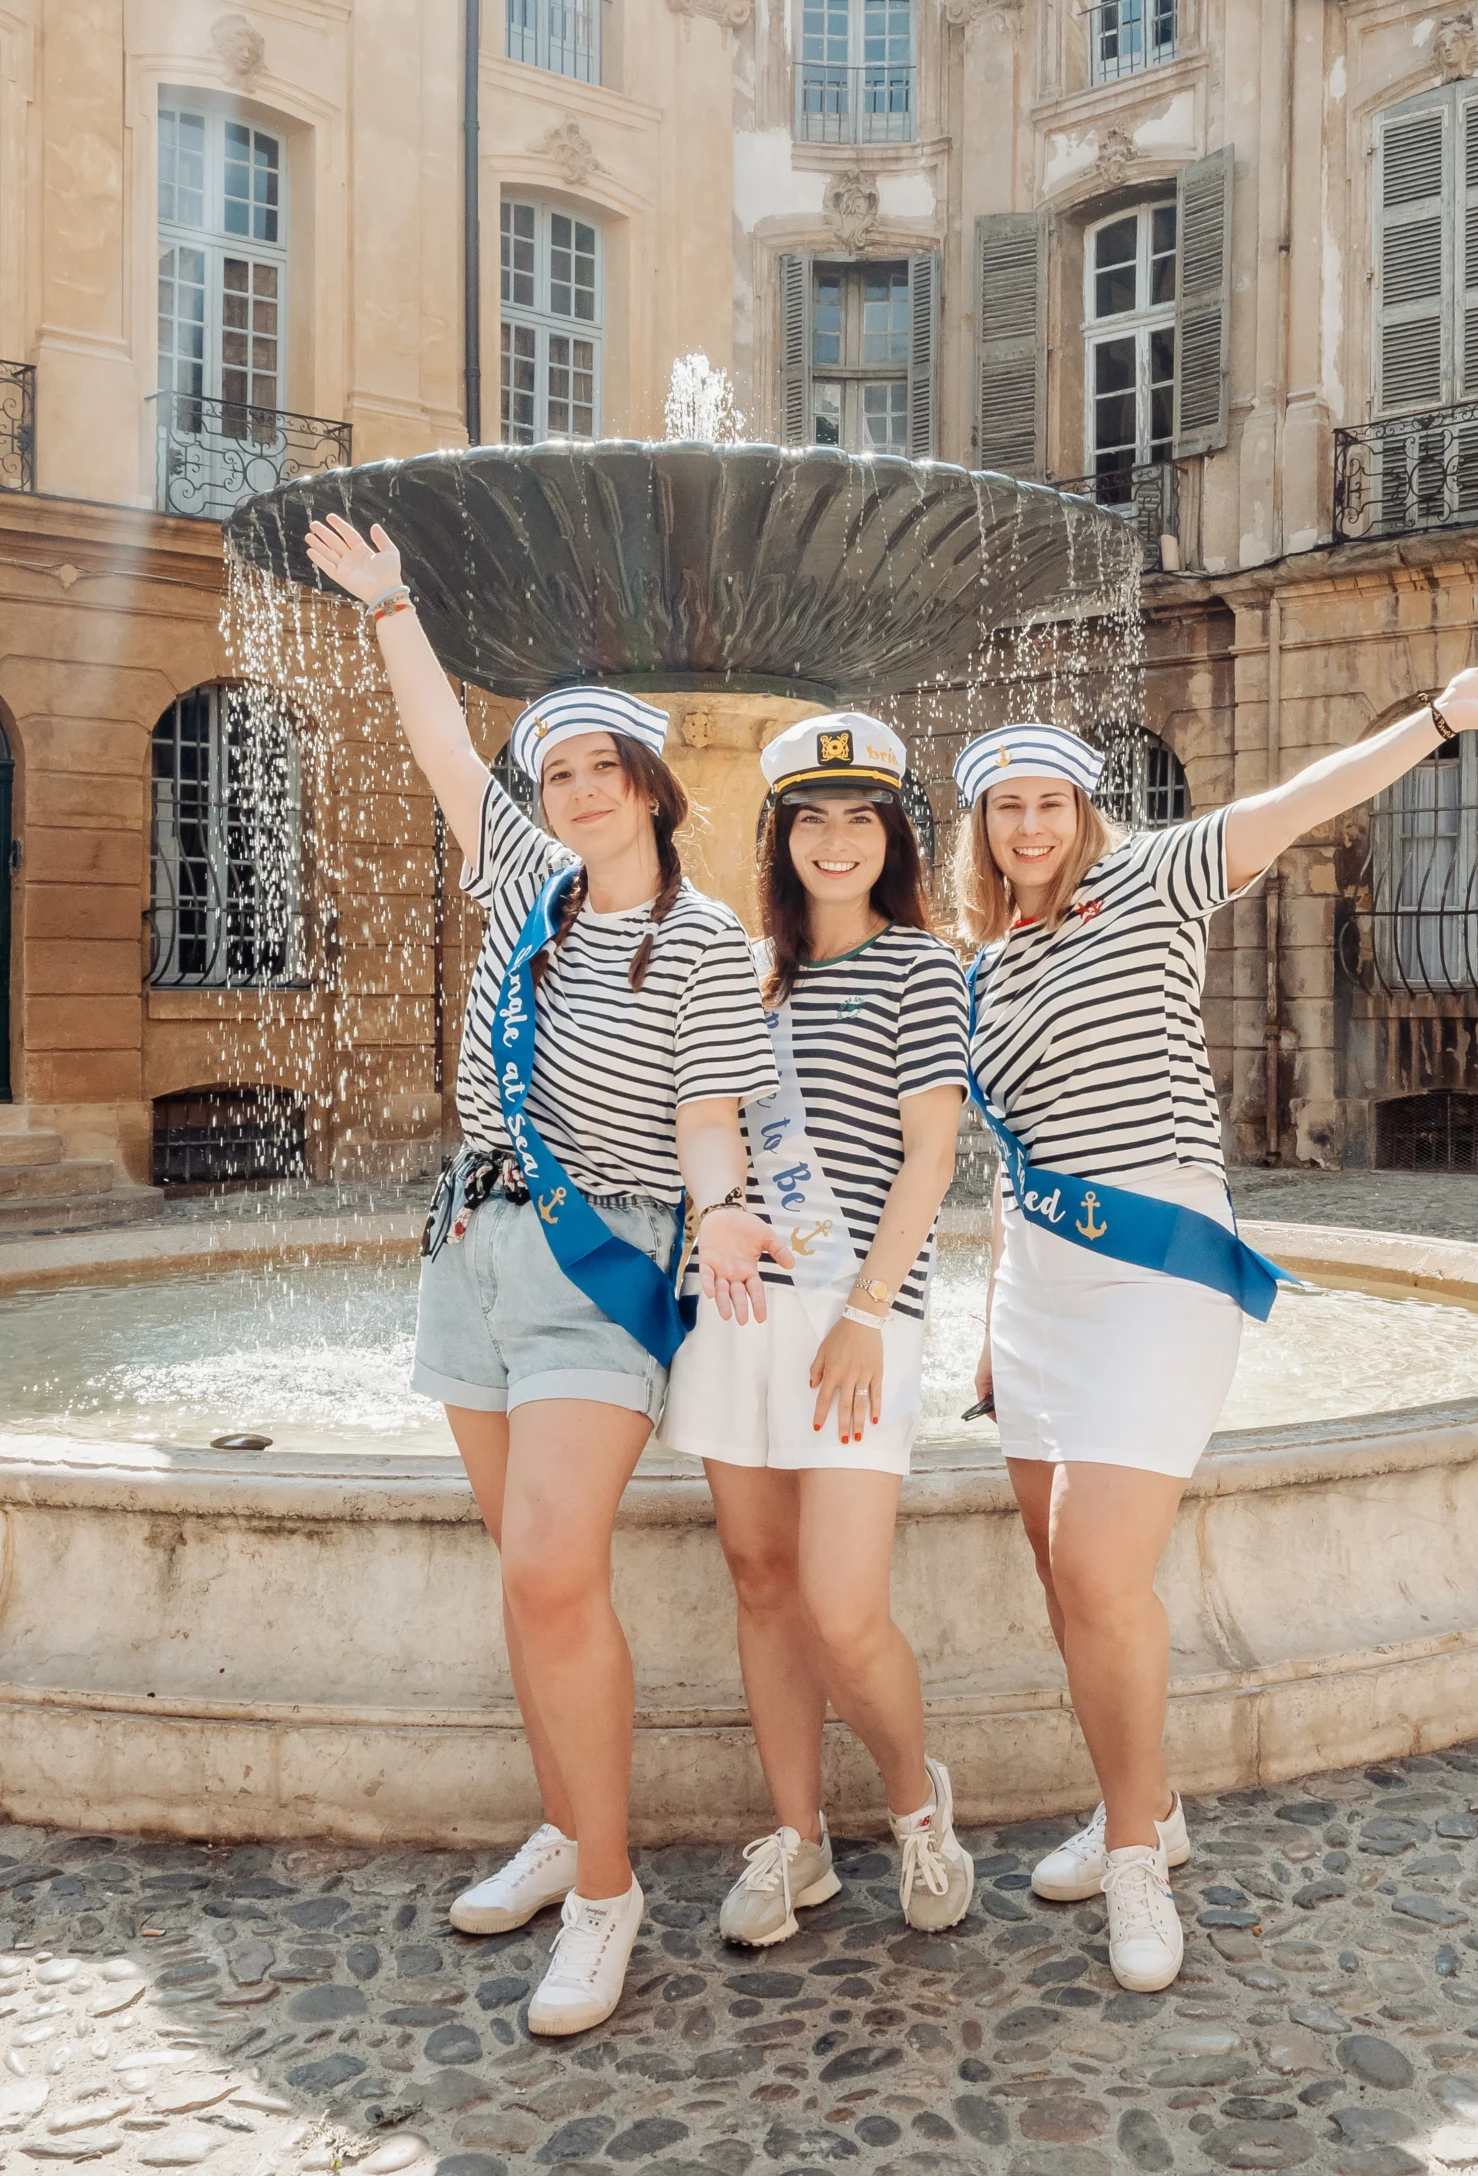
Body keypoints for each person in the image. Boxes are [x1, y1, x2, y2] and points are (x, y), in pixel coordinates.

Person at [958, 663, 1478, 1993]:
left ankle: (1135, 1857)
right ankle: (1151, 1806)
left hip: (1158, 1280)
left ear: (1081, 810)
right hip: (1035, 1298)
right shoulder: (984, 964)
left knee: (1095, 1574)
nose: (1028, 827)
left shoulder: (1153, 880)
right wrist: (983, 1318)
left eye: (1048, 802)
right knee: (1060, 1577)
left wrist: (1431, 721)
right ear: (978, 827)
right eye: (1005, 806)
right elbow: (1003, 1158)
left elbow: (1301, 801)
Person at [302, 511, 786, 2036]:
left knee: (548, 1561)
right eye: (556, 772)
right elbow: (447, 747)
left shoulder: (705, 943)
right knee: (526, 1575)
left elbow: (709, 1112)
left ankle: (607, 1893)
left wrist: (718, 1214)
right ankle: (570, 1825)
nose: (572, 792)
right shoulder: (524, 883)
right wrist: (392, 608)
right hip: (472, 1247)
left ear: (651, 786)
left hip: (605, 1257)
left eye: (598, 770)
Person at [658, 712, 974, 1944]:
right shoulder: (745, 975)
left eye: (860, 818)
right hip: (736, 1310)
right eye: (811, 819)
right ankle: (798, 1840)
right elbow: (708, 1131)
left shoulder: (922, 966)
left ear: (892, 834)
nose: (835, 840)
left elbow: (931, 1158)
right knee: (761, 1577)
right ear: (780, 834)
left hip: (859, 1312)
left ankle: (914, 1807)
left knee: (845, 1605)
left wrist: (864, 1315)